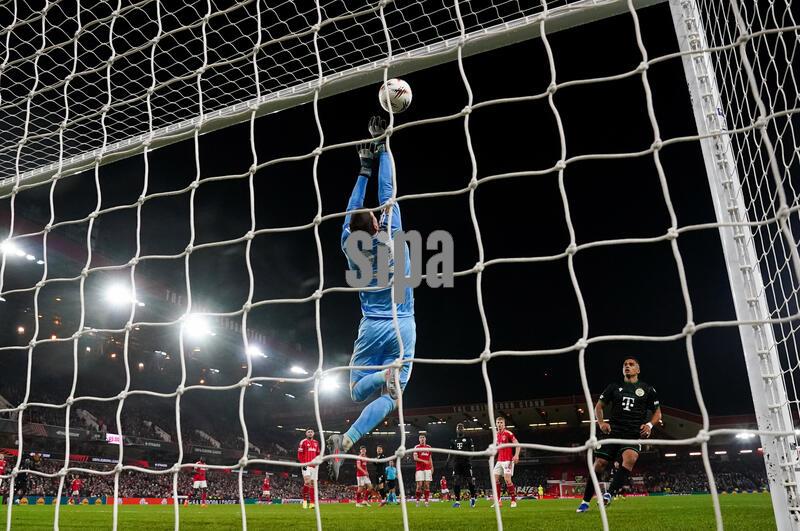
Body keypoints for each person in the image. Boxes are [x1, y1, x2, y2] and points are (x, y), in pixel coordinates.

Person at [328, 116, 416, 480]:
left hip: (370, 327)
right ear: (378, 225)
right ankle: (384, 379)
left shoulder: (350, 247)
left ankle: (347, 438)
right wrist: (383, 146)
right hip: (402, 325)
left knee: (353, 391)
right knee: (391, 398)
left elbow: (351, 215)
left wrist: (361, 170)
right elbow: (389, 191)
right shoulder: (392, 236)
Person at [577, 357, 660, 513]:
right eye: (625, 365)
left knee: (631, 458)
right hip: (613, 431)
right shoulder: (614, 387)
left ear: (638, 369)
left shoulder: (647, 389)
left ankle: (609, 494)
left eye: (631, 364)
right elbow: (599, 406)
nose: (627, 367)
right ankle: (585, 501)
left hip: (633, 433)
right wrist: (601, 423)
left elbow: (658, 412)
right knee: (599, 463)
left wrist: (649, 425)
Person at [445, 422, 477, 508]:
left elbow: (472, 451)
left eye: (461, 427)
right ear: (456, 430)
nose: (460, 429)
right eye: (458, 427)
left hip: (466, 463)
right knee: (456, 481)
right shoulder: (453, 440)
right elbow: (450, 453)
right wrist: (448, 461)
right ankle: (457, 502)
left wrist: (469, 460)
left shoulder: (468, 439)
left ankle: (473, 499)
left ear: (463, 429)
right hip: (456, 463)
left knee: (470, 480)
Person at [492, 416, 520, 508]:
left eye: (501, 423)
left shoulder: (508, 433)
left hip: (508, 460)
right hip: (499, 460)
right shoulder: (496, 434)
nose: (499, 424)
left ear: (504, 424)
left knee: (507, 480)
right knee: (495, 479)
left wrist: (516, 455)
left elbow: (517, 444)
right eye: (498, 423)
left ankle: (513, 501)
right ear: (496, 424)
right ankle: (498, 501)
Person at [298, 428, 321, 509]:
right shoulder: (303, 442)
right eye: (309, 432)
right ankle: (304, 500)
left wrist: (318, 460)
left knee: (313, 483)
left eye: (311, 432)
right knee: (307, 482)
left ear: (313, 433)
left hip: (314, 466)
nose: (310, 433)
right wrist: (303, 463)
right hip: (306, 465)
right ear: (306, 434)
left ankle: (312, 503)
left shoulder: (316, 443)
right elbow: (300, 454)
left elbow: (318, 454)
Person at [414, 433, 432, 507]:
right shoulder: (416, 447)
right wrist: (424, 461)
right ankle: (417, 500)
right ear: (419, 439)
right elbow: (415, 458)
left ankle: (426, 501)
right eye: (420, 438)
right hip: (419, 469)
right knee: (419, 485)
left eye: (423, 437)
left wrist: (432, 466)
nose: (422, 439)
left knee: (427, 485)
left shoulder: (429, 447)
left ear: (425, 439)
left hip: (427, 469)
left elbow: (430, 458)